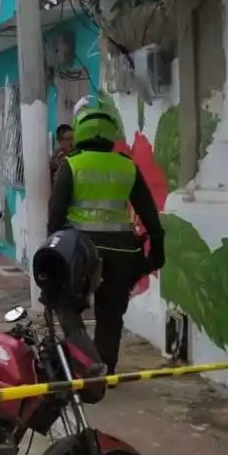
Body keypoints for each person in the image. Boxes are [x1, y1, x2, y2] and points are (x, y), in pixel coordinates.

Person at [47, 106, 164, 374]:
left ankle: (84, 361)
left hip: (80, 251)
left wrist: (52, 253)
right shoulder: (127, 166)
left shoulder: (72, 166)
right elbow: (149, 214)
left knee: (67, 304)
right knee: (111, 313)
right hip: (122, 251)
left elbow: (55, 215)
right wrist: (157, 250)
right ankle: (105, 368)